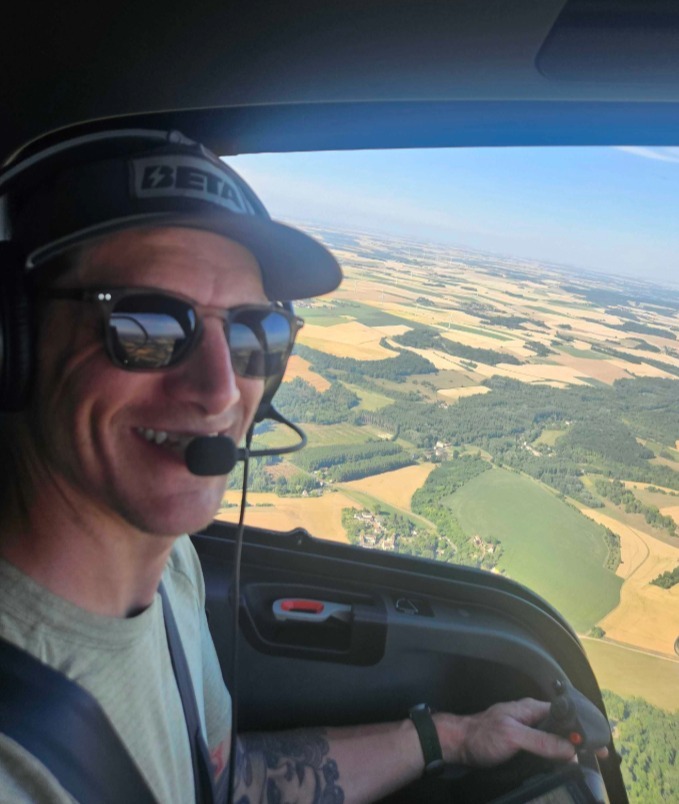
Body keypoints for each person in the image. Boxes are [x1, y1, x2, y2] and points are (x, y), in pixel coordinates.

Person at [0, 129, 586, 803]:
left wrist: (449, 738)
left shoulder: (167, 568)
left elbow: (218, 784)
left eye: (255, 332)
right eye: (148, 326)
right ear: (13, 339)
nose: (221, 391)